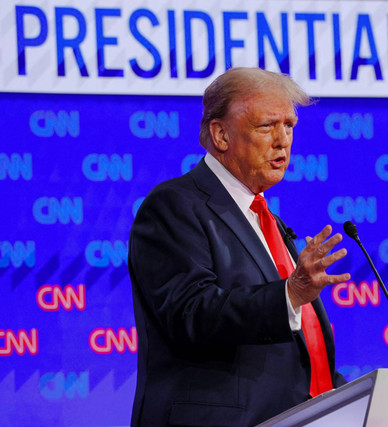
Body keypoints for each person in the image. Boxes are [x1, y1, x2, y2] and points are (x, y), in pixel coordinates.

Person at [128, 67, 351, 427]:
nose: (283, 141)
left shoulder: (268, 220)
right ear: (220, 134)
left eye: (289, 125)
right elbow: (191, 313)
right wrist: (289, 293)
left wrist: (348, 400)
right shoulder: (174, 205)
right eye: (267, 126)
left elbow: (297, 355)